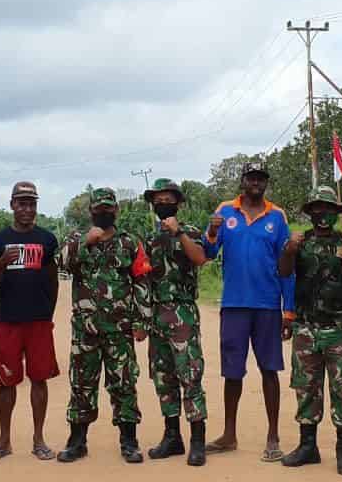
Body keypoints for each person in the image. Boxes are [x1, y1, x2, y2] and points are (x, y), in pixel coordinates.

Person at [203, 161, 293, 463]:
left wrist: (288, 310)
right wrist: (212, 232)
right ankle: (229, 434)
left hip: (268, 306)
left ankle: (273, 436)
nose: (256, 182)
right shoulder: (225, 210)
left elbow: (286, 267)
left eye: (261, 178)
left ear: (265, 182)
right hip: (234, 305)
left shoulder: (277, 216)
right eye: (251, 177)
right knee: (232, 372)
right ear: (243, 181)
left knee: (269, 370)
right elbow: (209, 252)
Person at [57, 187, 150, 464]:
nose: (104, 212)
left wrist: (142, 320)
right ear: (90, 212)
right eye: (99, 208)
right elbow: (60, 264)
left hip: (119, 330)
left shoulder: (129, 242)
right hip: (85, 330)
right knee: (82, 385)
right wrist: (85, 241)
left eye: (109, 208)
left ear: (117, 211)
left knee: (124, 384)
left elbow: (142, 282)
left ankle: (129, 442)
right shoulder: (76, 239)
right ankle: (77, 442)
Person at [278, 186, 342, 476]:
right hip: (306, 327)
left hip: (340, 327)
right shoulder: (299, 241)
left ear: (336, 212)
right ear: (310, 213)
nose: (322, 214)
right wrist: (290, 248)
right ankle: (308, 447)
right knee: (306, 389)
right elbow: (284, 271)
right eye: (316, 209)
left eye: (327, 208)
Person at [0, 181, 61, 463]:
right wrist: (2, 262)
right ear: (12, 205)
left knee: (39, 380)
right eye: (22, 203)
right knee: (6, 382)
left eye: (32, 203)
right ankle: (3, 441)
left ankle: (39, 440)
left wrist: (48, 315)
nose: (27, 209)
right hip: (8, 322)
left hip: (39, 322)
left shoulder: (47, 239)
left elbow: (52, 280)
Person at [140, 178, 210, 467]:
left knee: (190, 375)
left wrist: (179, 232)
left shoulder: (191, 231)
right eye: (158, 200)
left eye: (168, 200)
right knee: (163, 378)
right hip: (157, 314)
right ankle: (172, 437)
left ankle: (197, 441)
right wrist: (141, 318)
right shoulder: (148, 238)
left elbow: (200, 258)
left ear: (178, 203)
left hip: (183, 314)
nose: (162, 204)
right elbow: (142, 277)